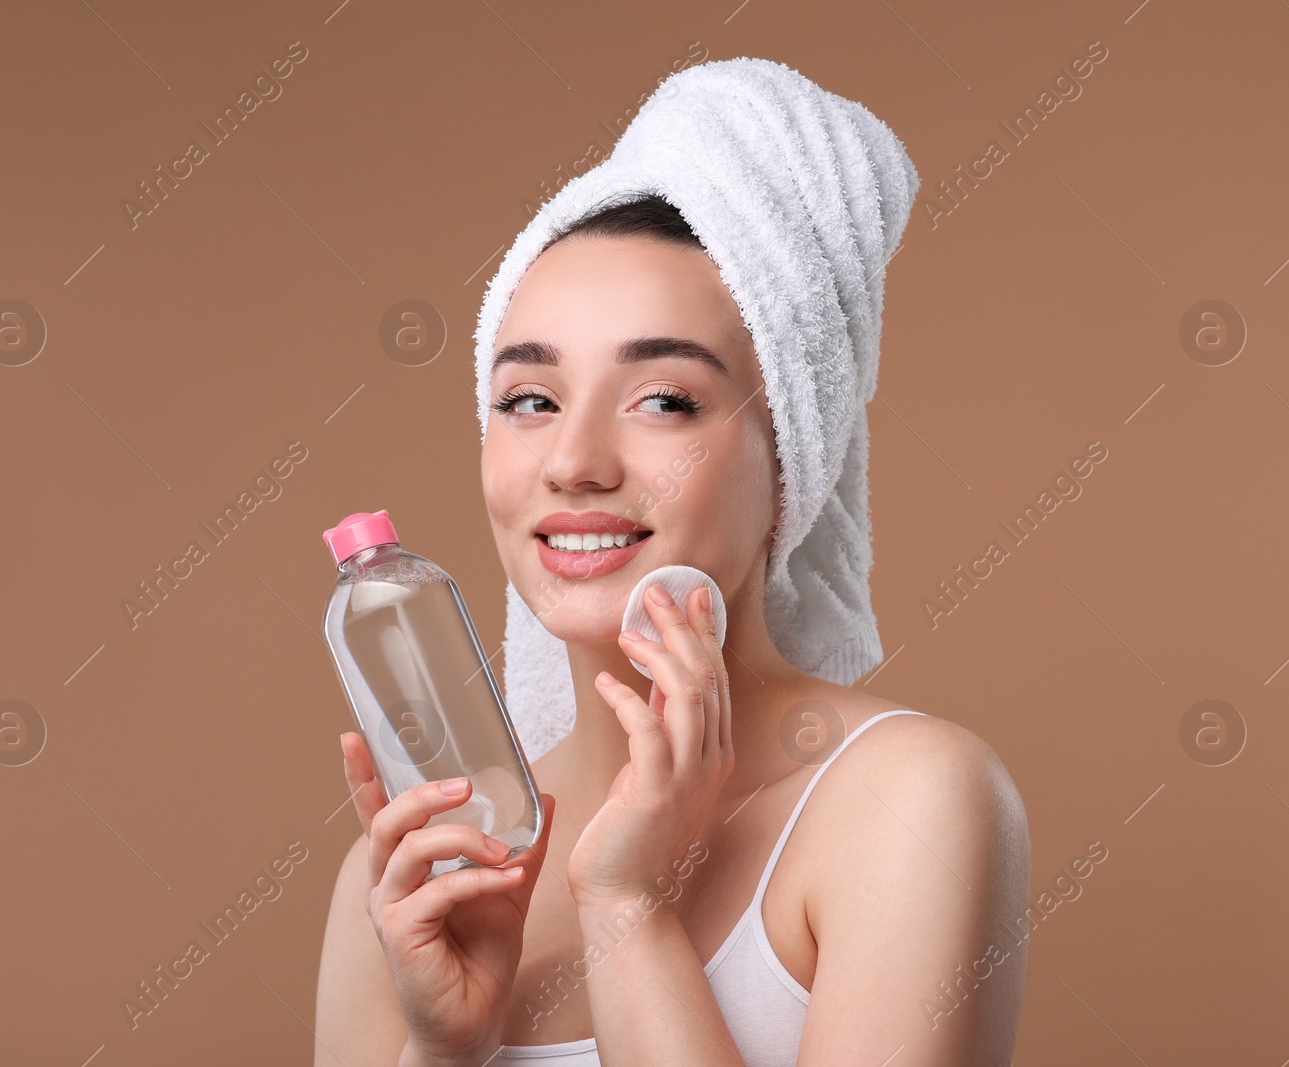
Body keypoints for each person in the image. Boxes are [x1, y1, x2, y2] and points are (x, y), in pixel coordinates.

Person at [317, 59, 1029, 1067]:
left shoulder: (909, 802)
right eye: (530, 399)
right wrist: (443, 1047)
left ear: (792, 454)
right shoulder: (410, 878)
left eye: (663, 400)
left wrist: (625, 908)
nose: (573, 460)